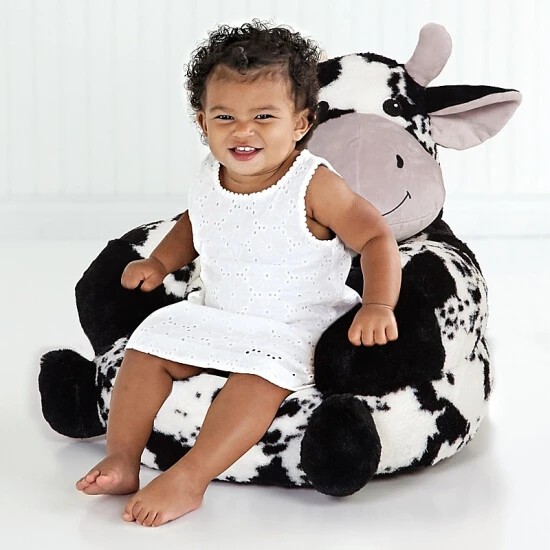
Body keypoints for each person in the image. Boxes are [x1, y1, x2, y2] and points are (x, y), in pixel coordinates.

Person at [76, 20, 401, 527]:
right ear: (202, 122)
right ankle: (122, 458)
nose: (242, 131)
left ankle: (191, 476)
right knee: (147, 347)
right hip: (219, 311)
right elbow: (196, 222)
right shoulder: (210, 175)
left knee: (258, 378)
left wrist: (379, 303)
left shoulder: (313, 185)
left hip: (292, 325)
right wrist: (159, 262)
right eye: (224, 116)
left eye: (263, 117)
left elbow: (377, 238)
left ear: (301, 123)